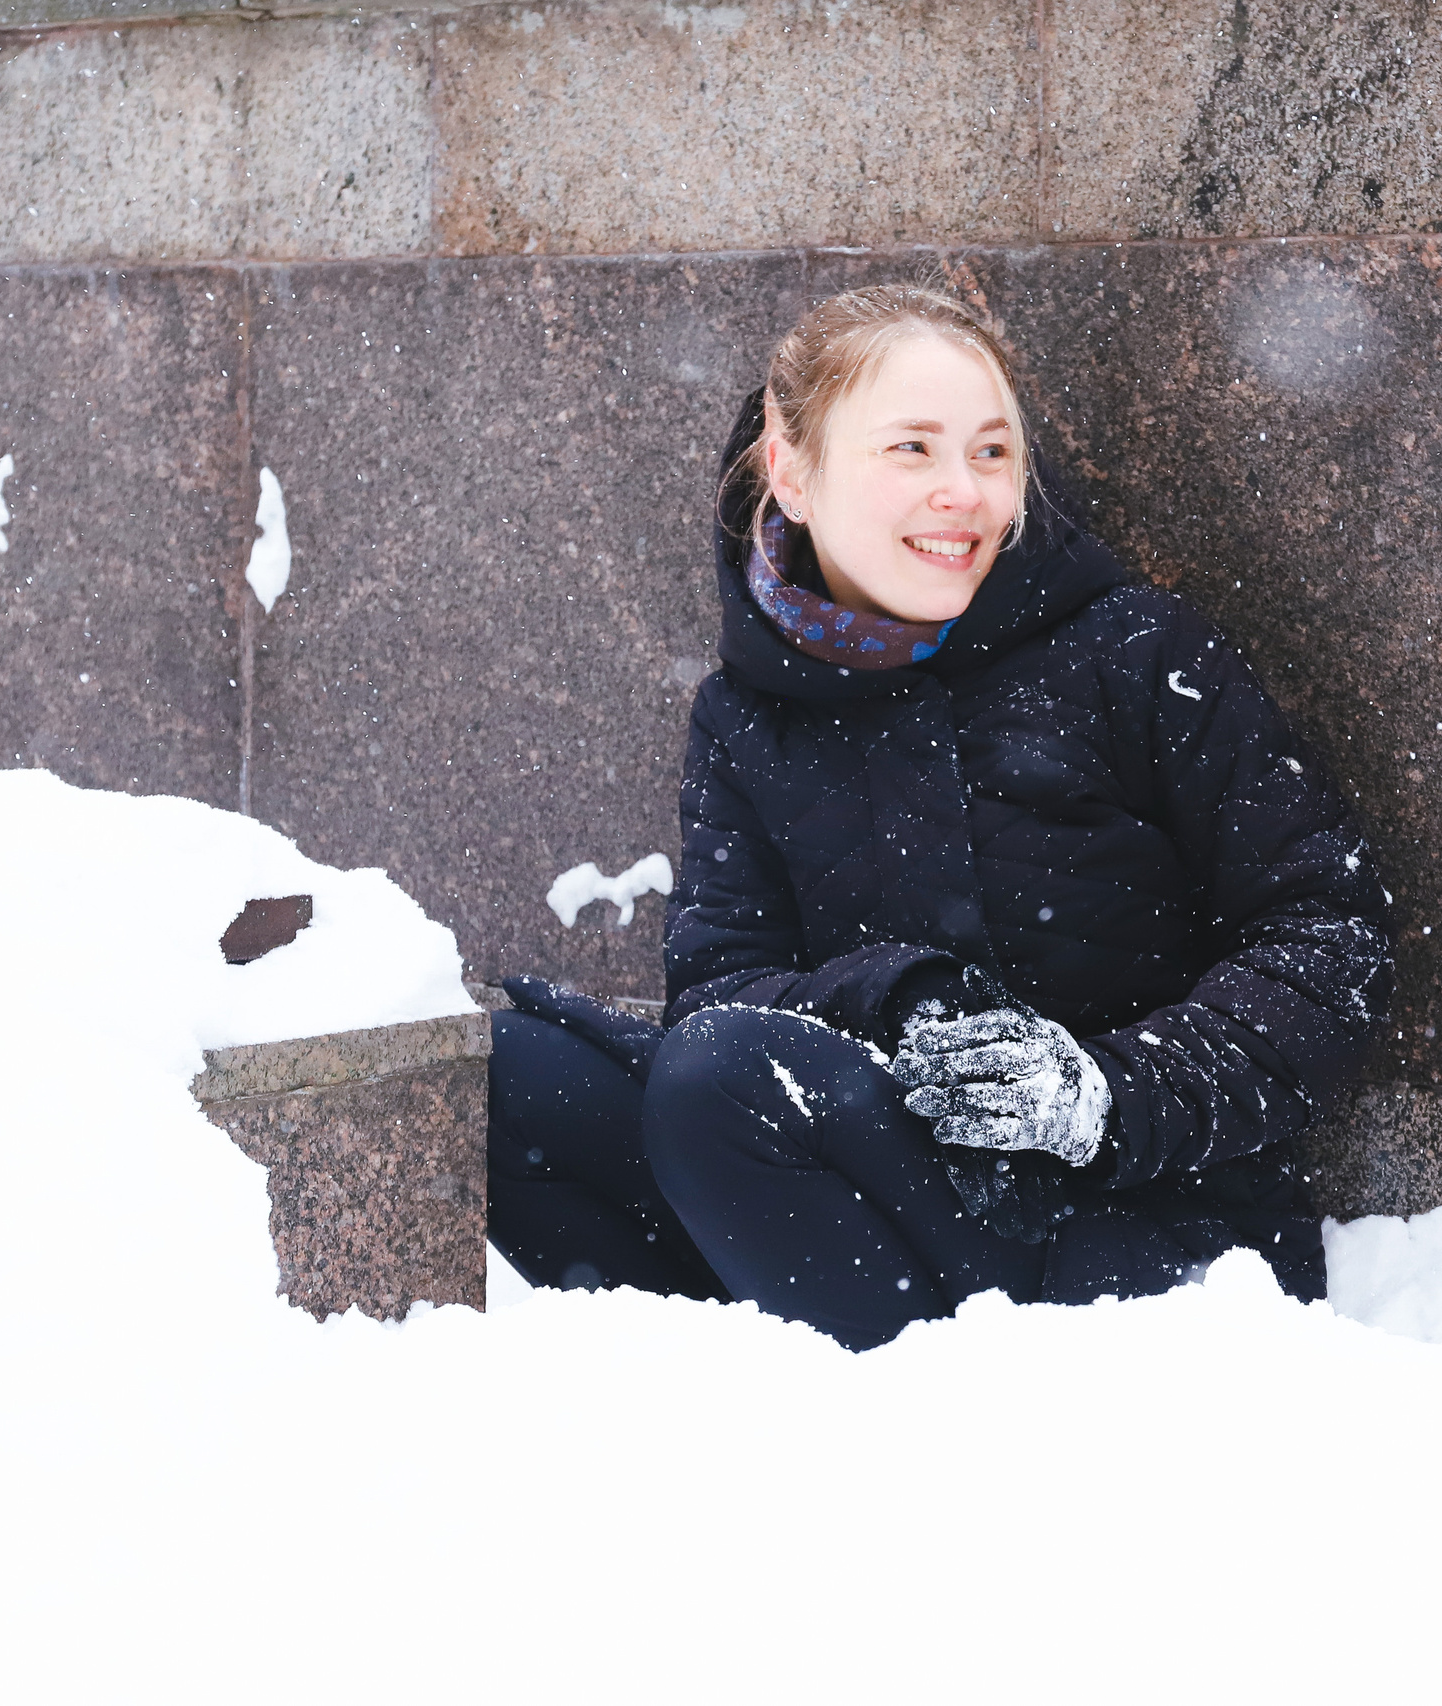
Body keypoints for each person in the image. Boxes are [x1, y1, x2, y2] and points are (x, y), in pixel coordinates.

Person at [486, 284, 1393, 1348]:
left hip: (1140, 1233)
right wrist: (899, 998)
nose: (963, 492)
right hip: (882, 1180)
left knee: (718, 1081)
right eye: (912, 449)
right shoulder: (747, 713)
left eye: (991, 452)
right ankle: (755, 1371)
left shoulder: (1135, 653)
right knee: (513, 1076)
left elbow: (1334, 936)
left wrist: (1105, 1095)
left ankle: (924, 1412)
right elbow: (722, 988)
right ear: (793, 471)